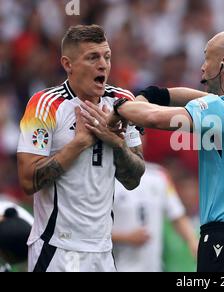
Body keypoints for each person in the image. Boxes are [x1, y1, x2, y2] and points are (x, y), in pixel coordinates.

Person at [82, 29, 224, 272]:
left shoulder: (223, 111)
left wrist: (119, 106)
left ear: (223, 63)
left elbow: (153, 118)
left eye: (206, 58)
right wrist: (155, 93)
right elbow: (193, 98)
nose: (202, 68)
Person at [16, 25, 145, 272]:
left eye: (107, 56)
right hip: (57, 248)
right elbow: (27, 181)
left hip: (103, 251)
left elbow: (134, 178)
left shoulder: (122, 103)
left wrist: (116, 143)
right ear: (68, 64)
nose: (103, 65)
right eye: (92, 57)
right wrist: (80, 143)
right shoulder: (45, 105)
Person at [112, 162, 198, 272]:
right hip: (119, 267)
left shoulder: (159, 175)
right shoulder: (107, 177)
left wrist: (193, 242)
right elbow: (90, 232)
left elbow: (177, 215)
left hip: (154, 268)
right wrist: (126, 238)